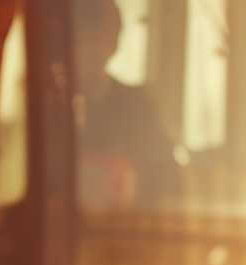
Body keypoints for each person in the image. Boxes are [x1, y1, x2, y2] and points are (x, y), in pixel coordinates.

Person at [74, 0, 179, 211]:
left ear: (113, 43)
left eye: (100, 36)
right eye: (83, 36)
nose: (92, 47)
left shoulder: (138, 110)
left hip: (124, 233)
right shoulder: (40, 109)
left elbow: (169, 185)